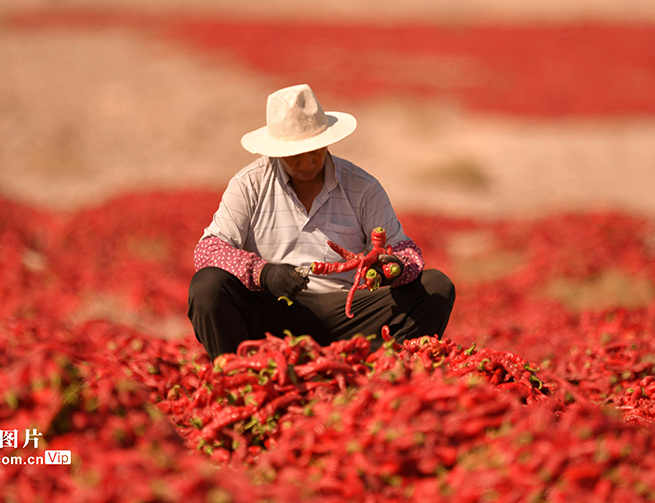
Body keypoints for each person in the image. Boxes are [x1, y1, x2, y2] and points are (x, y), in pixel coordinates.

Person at [188, 84, 455, 360]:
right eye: (295, 154)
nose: (306, 162)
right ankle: (239, 374)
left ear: (327, 141)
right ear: (276, 150)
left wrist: (394, 268)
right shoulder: (249, 185)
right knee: (208, 286)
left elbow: (404, 249)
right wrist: (264, 273)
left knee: (436, 287)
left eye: (314, 150)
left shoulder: (362, 187)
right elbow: (208, 250)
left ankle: (388, 369)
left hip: (347, 312)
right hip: (273, 310)